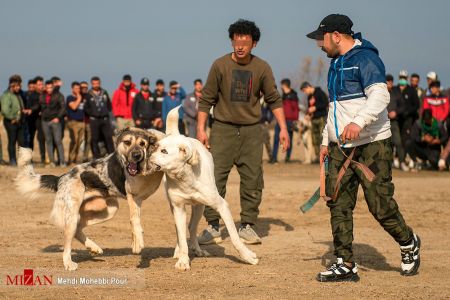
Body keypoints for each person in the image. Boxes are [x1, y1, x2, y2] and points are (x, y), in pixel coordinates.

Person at [306, 14, 420, 282]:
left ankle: (408, 243)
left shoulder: (365, 58)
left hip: (372, 144)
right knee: (338, 204)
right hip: (340, 147)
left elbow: (380, 95)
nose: (319, 45)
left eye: (321, 39)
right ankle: (345, 263)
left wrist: (358, 123)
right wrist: (326, 140)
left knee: (379, 205)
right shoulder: (335, 63)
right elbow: (335, 109)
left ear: (336, 36)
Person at [196, 19, 290, 245]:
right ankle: (213, 226)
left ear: (254, 44)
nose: (240, 47)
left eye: (245, 43)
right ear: (231, 41)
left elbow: (274, 100)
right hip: (222, 129)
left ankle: (247, 225)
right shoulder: (219, 65)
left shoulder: (262, 68)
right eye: (236, 41)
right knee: (215, 177)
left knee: (253, 178)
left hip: (251, 132)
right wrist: (200, 129)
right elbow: (206, 99)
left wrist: (284, 129)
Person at [84, 76, 114, 158]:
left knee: (108, 138)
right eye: (94, 84)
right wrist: (93, 113)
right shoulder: (88, 94)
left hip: (105, 119)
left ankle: (112, 156)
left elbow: (109, 105)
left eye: (97, 83)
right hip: (94, 120)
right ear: (91, 84)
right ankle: (96, 157)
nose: (96, 85)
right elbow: (85, 108)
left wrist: (106, 112)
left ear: (100, 83)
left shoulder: (104, 92)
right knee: (94, 139)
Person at [39, 80, 66, 167]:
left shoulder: (59, 95)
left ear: (53, 87)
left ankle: (62, 162)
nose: (49, 89)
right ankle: (52, 162)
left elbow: (63, 108)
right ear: (45, 88)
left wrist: (58, 117)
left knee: (58, 141)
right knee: (48, 141)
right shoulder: (42, 95)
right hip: (44, 121)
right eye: (47, 87)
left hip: (55, 121)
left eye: (51, 87)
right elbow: (40, 106)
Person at [271, 78, 298, 163]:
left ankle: (287, 158)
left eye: (281, 85)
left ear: (284, 85)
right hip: (280, 120)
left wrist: (295, 120)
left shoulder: (293, 95)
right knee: (276, 138)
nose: (281, 87)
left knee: (288, 139)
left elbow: (296, 109)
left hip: (290, 121)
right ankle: (274, 157)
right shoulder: (282, 96)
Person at [0, 75, 26, 166]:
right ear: (12, 85)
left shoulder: (18, 94)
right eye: (18, 85)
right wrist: (13, 118)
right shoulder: (6, 95)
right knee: (12, 141)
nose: (20, 87)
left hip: (19, 122)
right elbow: (5, 110)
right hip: (11, 122)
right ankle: (12, 160)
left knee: (22, 142)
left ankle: (22, 161)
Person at [300, 81, 329, 160]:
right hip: (313, 120)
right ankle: (317, 157)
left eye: (304, 91)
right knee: (314, 139)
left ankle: (325, 156)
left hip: (321, 118)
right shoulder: (309, 97)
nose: (305, 93)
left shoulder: (320, 93)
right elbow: (310, 109)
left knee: (322, 138)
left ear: (308, 87)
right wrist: (308, 115)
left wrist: (316, 108)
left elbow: (325, 103)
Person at [386, 74, 409, 171]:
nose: (390, 84)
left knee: (398, 142)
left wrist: (396, 112)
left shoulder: (396, 93)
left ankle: (402, 162)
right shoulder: (379, 93)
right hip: (382, 122)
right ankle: (388, 164)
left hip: (394, 122)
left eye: (391, 82)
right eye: (388, 82)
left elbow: (403, 106)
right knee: (386, 144)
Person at [66, 81, 85, 164]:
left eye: (78, 88)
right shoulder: (70, 98)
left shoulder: (83, 98)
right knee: (74, 141)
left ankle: (75, 159)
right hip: (73, 123)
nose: (77, 90)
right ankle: (70, 159)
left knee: (80, 142)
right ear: (72, 89)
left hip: (82, 122)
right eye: (76, 88)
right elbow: (73, 107)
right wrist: (79, 98)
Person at [80, 81, 91, 162]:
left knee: (88, 140)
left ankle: (85, 157)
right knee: (79, 140)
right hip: (79, 122)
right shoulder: (77, 96)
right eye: (82, 87)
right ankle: (75, 157)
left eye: (85, 88)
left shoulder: (89, 96)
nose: (84, 89)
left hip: (88, 122)